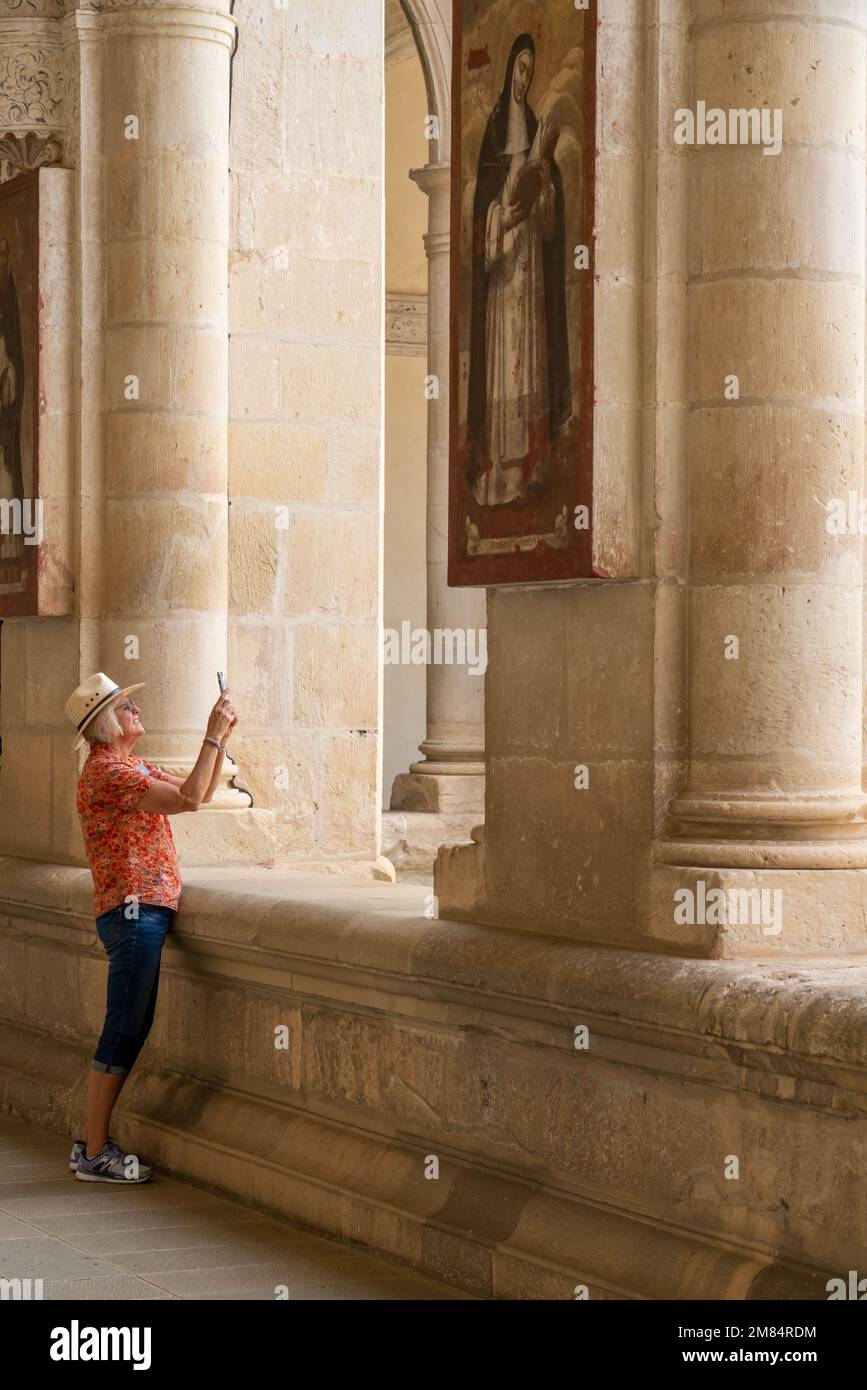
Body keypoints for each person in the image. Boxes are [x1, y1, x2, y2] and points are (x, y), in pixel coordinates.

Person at [63, 672, 238, 1183]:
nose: (136, 711)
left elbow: (199, 794)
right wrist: (210, 731)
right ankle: (94, 1150)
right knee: (124, 1028)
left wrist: (221, 739)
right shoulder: (106, 772)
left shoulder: (128, 765)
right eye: (125, 707)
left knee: (128, 1026)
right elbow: (185, 798)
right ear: (104, 725)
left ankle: (89, 1146)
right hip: (133, 913)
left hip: (139, 912)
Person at [466, 33, 571, 506]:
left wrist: (544, 178)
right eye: (520, 69)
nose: (525, 78)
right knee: (504, 365)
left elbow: (550, 223)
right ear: (509, 71)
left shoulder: (534, 130)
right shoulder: (494, 135)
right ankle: (499, 470)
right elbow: (485, 206)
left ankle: (530, 462)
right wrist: (500, 220)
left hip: (530, 273)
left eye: (531, 70)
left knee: (529, 360)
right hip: (504, 272)